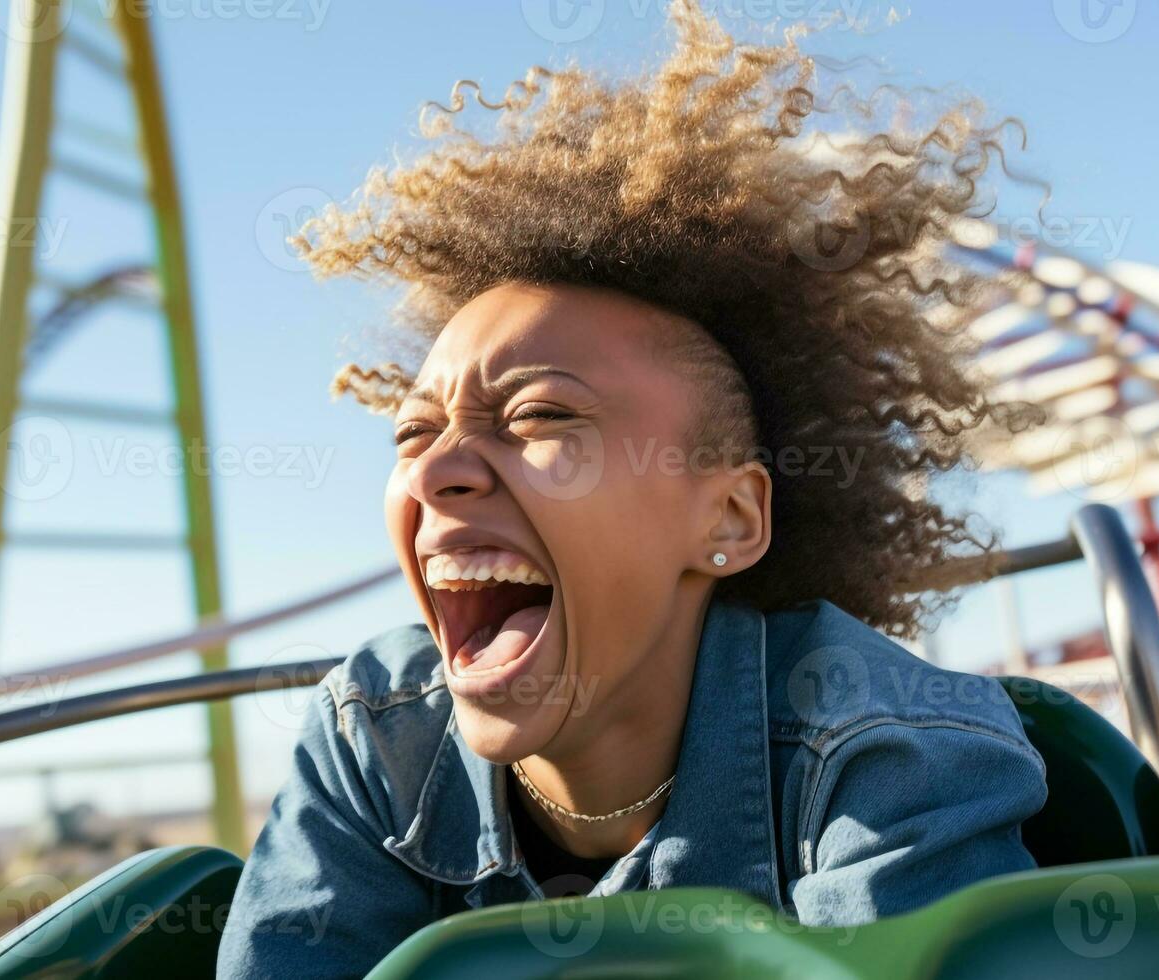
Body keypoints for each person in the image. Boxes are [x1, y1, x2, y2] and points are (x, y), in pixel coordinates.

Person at [217, 3, 1047, 975]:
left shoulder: (884, 759)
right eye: (412, 430)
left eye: (539, 417)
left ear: (729, 516)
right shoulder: (375, 738)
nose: (438, 465)